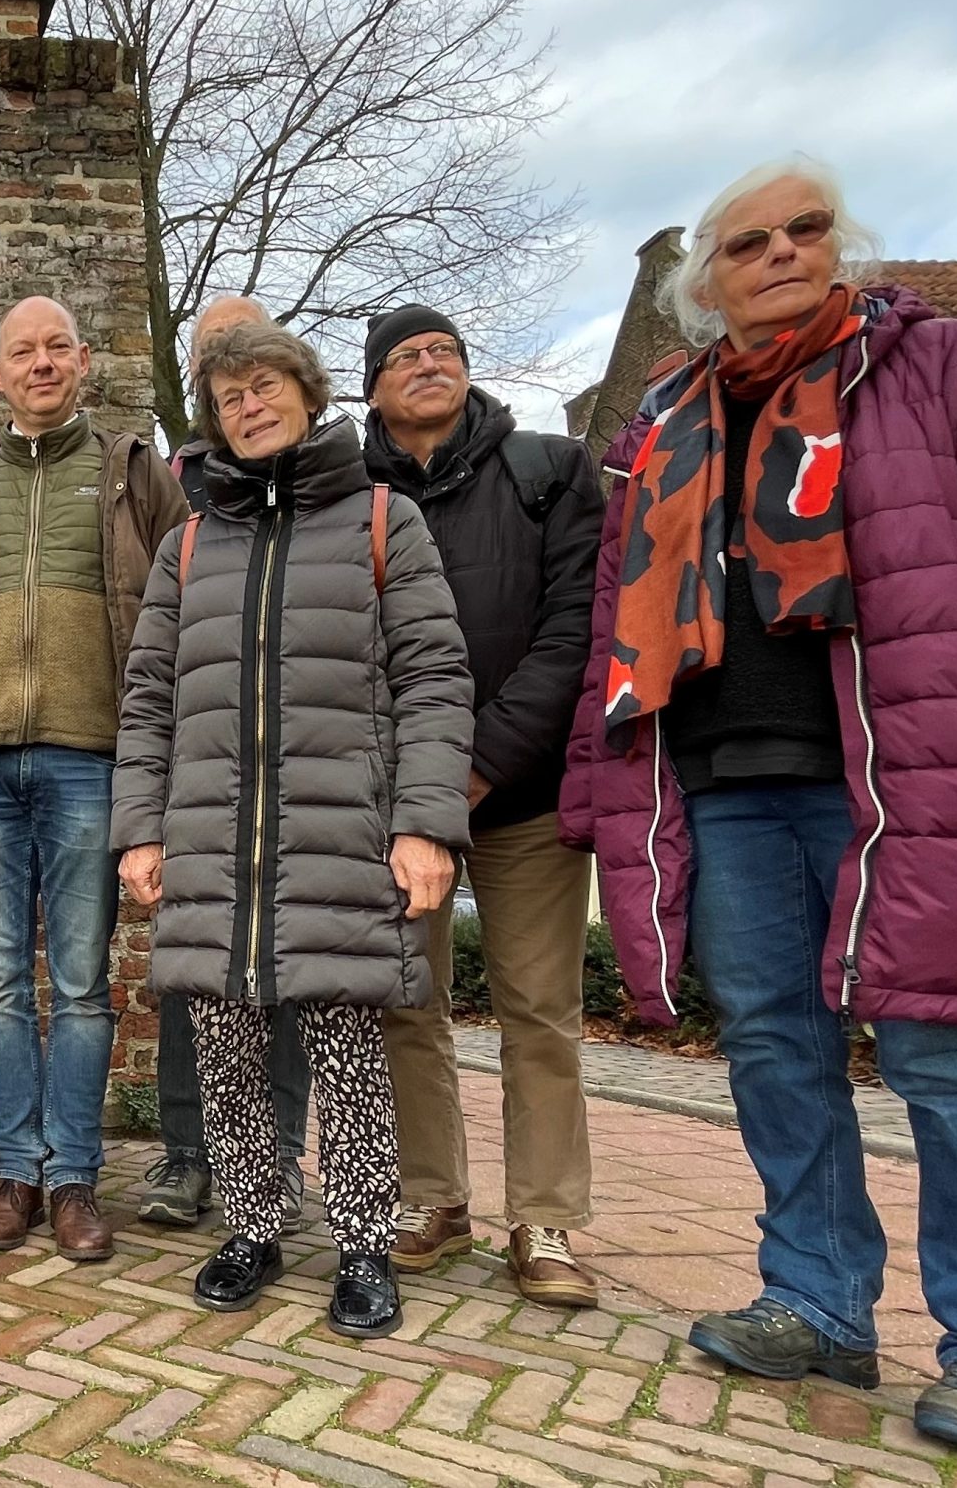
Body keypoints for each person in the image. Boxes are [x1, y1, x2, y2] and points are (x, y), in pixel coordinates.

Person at [561, 156, 957, 1466]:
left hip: (903, 777)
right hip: (723, 788)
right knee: (776, 1050)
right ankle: (819, 1300)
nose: (781, 250)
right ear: (703, 288)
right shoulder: (660, 427)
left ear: (843, 245)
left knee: (949, 1053)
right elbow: (617, 632)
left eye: (807, 227)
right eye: (747, 241)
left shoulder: (942, 368)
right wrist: (596, 799)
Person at [114, 319, 473, 1329]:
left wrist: (425, 824)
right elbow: (147, 700)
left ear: (309, 395)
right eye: (230, 398)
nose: (251, 405)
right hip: (211, 840)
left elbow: (435, 681)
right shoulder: (188, 541)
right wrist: (140, 830)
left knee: (347, 1047)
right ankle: (254, 1225)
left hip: (339, 836)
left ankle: (364, 1244)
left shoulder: (379, 520)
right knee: (224, 1050)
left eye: (266, 385)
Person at [0, 295, 187, 1261]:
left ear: (84, 361)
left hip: (95, 760)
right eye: (21, 350)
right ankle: (14, 1174)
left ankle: (73, 1177)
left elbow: (188, 599)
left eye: (56, 348)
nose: (40, 363)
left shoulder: (134, 473)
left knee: (79, 983)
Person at [362, 305, 608, 1307]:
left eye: (446, 352)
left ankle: (543, 1219)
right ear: (371, 387)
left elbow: (573, 635)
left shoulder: (548, 471)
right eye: (406, 356)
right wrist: (410, 781)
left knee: (538, 1010)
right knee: (404, 1004)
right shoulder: (349, 493)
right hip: (395, 803)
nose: (430, 364)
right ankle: (431, 1197)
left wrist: (476, 765)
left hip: (525, 795)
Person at [140, 291, 314, 1231]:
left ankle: (276, 1158)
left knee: (290, 980)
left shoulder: (346, 494)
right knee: (193, 978)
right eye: (216, 359)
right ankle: (184, 1153)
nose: (236, 378)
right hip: (205, 778)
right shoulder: (177, 490)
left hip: (306, 783)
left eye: (253, 359)